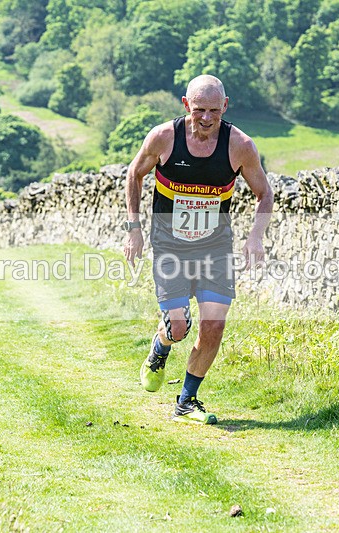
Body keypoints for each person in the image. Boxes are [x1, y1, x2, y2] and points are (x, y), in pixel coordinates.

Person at [123, 74, 273, 425]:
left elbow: (264, 193)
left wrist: (255, 236)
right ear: (186, 105)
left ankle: (187, 400)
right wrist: (134, 228)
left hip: (215, 247)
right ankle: (160, 347)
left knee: (214, 327)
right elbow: (135, 173)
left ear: (225, 106)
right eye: (199, 110)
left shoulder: (240, 146)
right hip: (169, 245)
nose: (206, 118)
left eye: (214, 111)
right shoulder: (163, 138)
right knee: (178, 327)